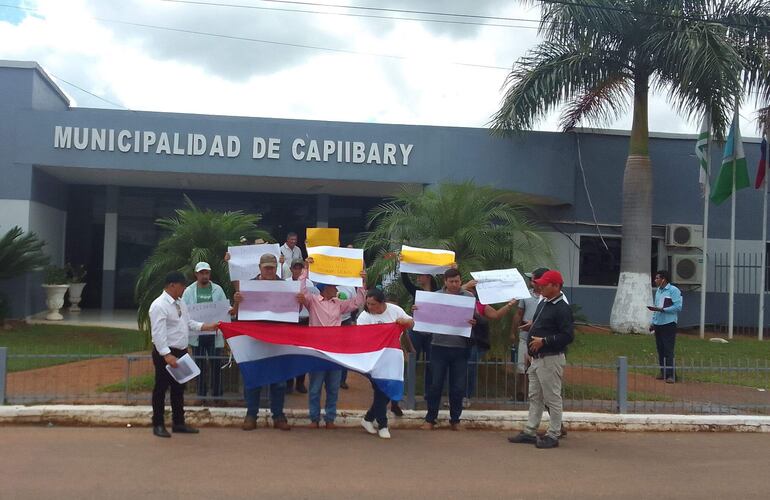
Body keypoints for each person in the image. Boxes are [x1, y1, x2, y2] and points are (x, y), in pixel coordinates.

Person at [297, 258, 366, 429]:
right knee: (314, 387)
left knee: (333, 387)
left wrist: (362, 282)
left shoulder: (339, 304)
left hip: (335, 351)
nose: (336, 289)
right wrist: (306, 269)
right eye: (334, 286)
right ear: (326, 288)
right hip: (317, 351)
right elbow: (301, 290)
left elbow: (358, 302)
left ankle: (330, 419)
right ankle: (314, 418)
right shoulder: (312, 301)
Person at [508, 270, 574, 449]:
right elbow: (542, 322)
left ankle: (553, 433)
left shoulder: (562, 308)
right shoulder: (544, 302)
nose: (540, 287)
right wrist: (533, 326)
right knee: (535, 396)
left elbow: (567, 335)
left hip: (550, 358)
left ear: (555, 286)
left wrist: (544, 341)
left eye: (544, 284)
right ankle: (530, 430)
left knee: (552, 397)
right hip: (537, 358)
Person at [149, 271, 218, 438]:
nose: (184, 289)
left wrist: (206, 326)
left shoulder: (180, 303)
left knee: (179, 389)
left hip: (180, 351)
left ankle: (178, 422)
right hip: (166, 352)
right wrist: (166, 355)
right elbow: (158, 334)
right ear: (172, 285)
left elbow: (188, 323)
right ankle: (158, 424)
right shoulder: (159, 305)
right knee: (161, 388)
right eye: (182, 285)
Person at [234, 253, 296, 431]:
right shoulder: (248, 287)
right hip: (254, 340)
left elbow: (293, 313)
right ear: (260, 268)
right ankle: (251, 415)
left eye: (272, 267)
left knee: (279, 380)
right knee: (253, 378)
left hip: (278, 340)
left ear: (276, 268)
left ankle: (279, 415)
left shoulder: (286, 287)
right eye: (266, 267)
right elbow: (236, 314)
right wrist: (237, 302)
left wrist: (299, 302)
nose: (269, 270)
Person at [420, 268, 477, 431]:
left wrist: (474, 322)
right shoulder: (435, 297)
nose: (454, 284)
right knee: (435, 384)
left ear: (461, 281)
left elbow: (476, 317)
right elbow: (426, 317)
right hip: (438, 346)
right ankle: (430, 419)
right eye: (451, 281)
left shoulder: (469, 297)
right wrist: (418, 312)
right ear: (445, 281)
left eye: (457, 281)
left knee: (458, 386)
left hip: (461, 347)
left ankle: (455, 420)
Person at [356, 288, 414, 439]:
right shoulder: (364, 317)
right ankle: (382, 424)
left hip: (392, 358)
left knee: (385, 392)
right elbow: (362, 337)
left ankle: (368, 418)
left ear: (382, 303)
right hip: (373, 359)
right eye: (367, 304)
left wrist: (405, 322)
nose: (370, 307)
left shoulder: (395, 310)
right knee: (381, 390)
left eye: (373, 304)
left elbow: (411, 323)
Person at [461, 279, 519, 407]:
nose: (468, 293)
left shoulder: (480, 305)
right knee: (457, 369)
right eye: (466, 290)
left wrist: (509, 305)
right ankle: (455, 396)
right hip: (458, 340)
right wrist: (464, 286)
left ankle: (466, 396)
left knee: (470, 368)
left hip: (474, 341)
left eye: (471, 291)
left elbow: (496, 315)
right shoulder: (455, 301)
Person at [182, 261, 233, 400]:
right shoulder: (189, 291)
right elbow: (184, 311)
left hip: (214, 334)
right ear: (196, 274)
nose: (204, 275)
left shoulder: (218, 289)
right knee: (199, 365)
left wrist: (233, 309)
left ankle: (217, 396)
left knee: (216, 365)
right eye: (202, 273)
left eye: (207, 273)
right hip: (196, 335)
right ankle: (201, 396)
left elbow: (225, 309)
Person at [398, 261, 439, 399]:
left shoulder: (438, 293)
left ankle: (429, 393)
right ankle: (406, 392)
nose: (417, 278)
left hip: (432, 332)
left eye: (420, 276)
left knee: (431, 363)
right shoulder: (416, 291)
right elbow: (406, 281)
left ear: (428, 277)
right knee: (411, 360)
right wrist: (403, 265)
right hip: (416, 330)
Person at [510, 268, 549, 401]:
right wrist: (513, 331)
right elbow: (519, 313)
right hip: (524, 336)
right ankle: (521, 392)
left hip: (541, 337)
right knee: (522, 366)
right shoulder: (525, 295)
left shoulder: (548, 297)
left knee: (538, 367)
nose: (530, 282)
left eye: (532, 280)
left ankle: (536, 394)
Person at [285, 258, 315, 394]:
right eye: (295, 268)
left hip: (304, 320)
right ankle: (289, 382)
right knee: (289, 353)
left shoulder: (309, 283)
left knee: (303, 353)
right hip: (290, 322)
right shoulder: (285, 283)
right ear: (291, 269)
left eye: (300, 268)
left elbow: (315, 303)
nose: (297, 270)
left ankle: (300, 382)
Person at [649, 269, 683, 383]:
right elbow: (656, 307)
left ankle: (671, 374)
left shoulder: (674, 290)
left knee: (668, 349)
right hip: (658, 323)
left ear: (663, 279)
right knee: (660, 349)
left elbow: (678, 307)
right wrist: (653, 322)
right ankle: (663, 372)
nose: (655, 280)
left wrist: (664, 310)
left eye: (657, 278)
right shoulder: (658, 291)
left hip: (669, 324)